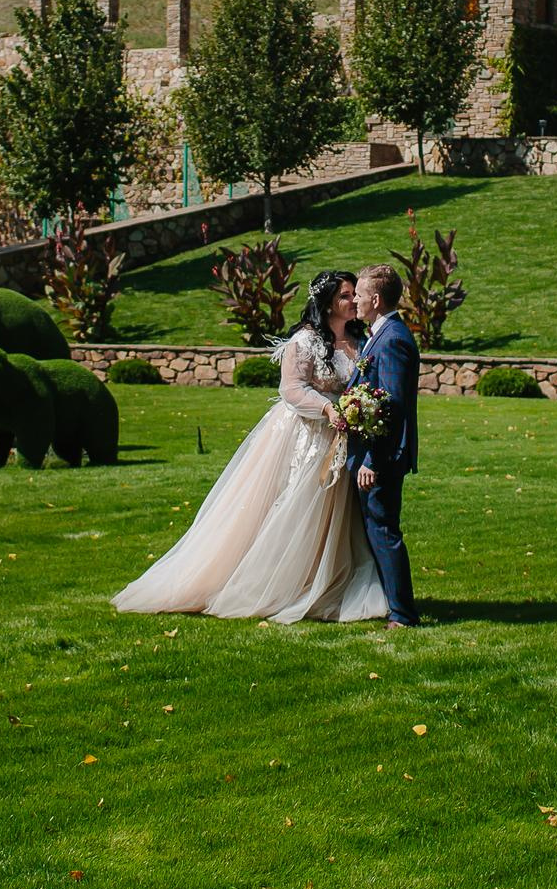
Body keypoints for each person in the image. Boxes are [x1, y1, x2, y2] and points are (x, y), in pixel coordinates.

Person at [111, 271, 388, 623]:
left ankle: (325, 579)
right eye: (346, 295)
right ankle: (279, 582)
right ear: (328, 302)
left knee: (334, 516)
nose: (353, 301)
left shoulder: (359, 339)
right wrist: (327, 409)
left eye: (353, 294)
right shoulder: (305, 341)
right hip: (305, 435)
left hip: (343, 436)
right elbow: (292, 389)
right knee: (295, 507)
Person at [345, 261, 420, 629]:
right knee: (377, 528)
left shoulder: (392, 340)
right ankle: (388, 603)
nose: (354, 301)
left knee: (384, 530)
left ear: (375, 300)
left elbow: (390, 406)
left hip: (382, 457)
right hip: (374, 454)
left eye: (359, 295)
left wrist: (372, 461)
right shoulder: (381, 333)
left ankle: (403, 614)